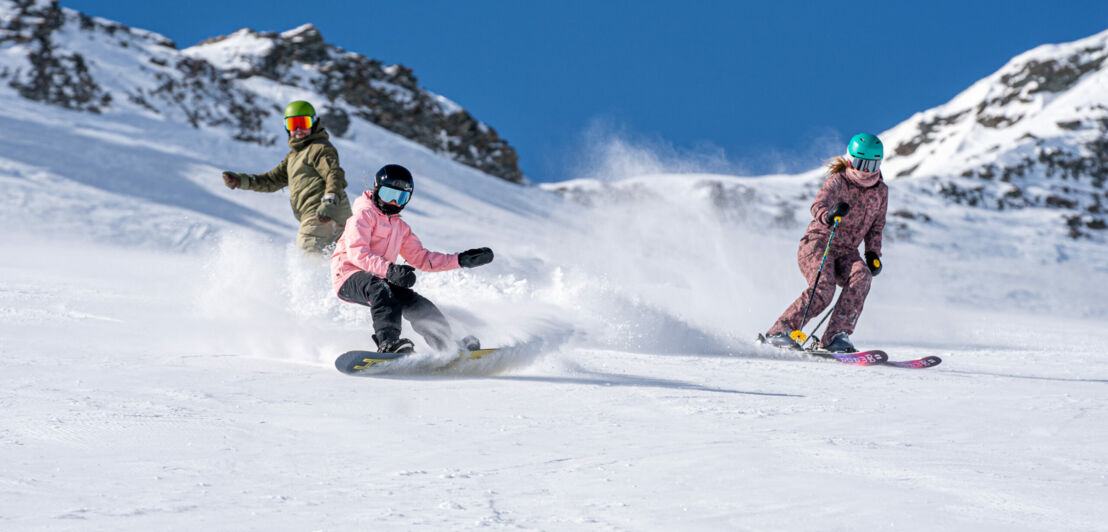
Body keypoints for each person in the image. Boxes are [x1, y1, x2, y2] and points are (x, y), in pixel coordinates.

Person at [330, 164, 495, 354]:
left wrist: (461, 260)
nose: (393, 202)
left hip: (378, 277)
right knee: (379, 288)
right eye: (388, 194)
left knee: (414, 301)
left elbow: (423, 259)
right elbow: (357, 253)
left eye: (400, 197)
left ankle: (447, 344)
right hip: (347, 276)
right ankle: (388, 344)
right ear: (376, 190)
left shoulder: (400, 228)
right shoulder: (363, 215)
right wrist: (391, 271)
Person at [764, 133, 888, 353]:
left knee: (862, 276)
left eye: (872, 164)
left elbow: (876, 227)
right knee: (824, 288)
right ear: (850, 160)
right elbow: (817, 205)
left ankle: (835, 337)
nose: (866, 170)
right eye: (861, 163)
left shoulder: (880, 191)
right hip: (819, 244)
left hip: (847, 252)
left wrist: (872, 254)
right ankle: (780, 331)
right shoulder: (839, 181)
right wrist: (829, 215)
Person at [221, 100, 353, 253]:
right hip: (330, 216)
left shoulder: (319, 148)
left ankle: (310, 277)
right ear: (286, 127)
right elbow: (272, 180)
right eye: (292, 124)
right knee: (339, 259)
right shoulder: (293, 157)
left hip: (322, 213)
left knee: (309, 251)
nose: (298, 129)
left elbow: (333, 174)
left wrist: (329, 201)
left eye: (303, 123)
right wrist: (240, 181)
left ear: (314, 122)